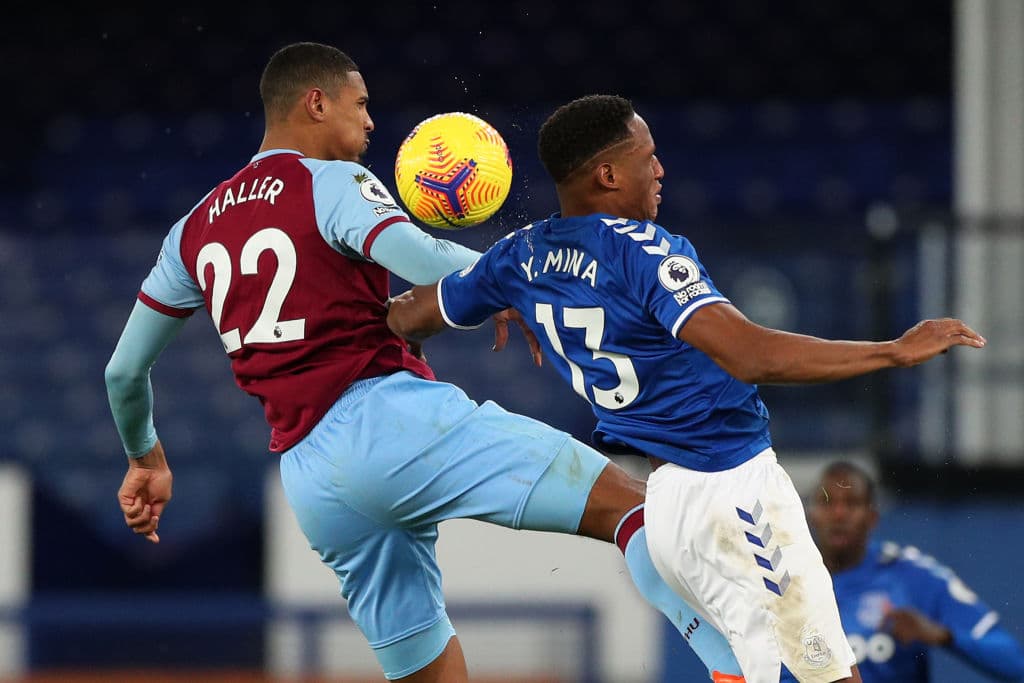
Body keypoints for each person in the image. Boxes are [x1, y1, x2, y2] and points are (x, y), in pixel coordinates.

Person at [103, 44, 747, 682]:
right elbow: (414, 255)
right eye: (360, 105)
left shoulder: (190, 230)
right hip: (389, 419)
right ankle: (739, 672)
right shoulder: (332, 182)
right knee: (637, 512)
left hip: (312, 477)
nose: (370, 122)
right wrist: (513, 282)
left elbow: (123, 373)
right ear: (316, 102)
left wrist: (145, 459)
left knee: (427, 674)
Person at [386, 93, 988, 683]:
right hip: (734, 491)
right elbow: (750, 355)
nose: (660, 169)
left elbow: (409, 316)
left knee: (749, 671)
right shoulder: (646, 253)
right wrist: (893, 350)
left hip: (668, 510)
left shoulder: (516, 259)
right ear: (607, 173)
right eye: (647, 156)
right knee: (830, 676)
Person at [781, 461, 1024, 682]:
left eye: (852, 503)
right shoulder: (783, 581)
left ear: (872, 517)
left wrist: (943, 635)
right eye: (827, 502)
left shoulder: (911, 575)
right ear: (810, 516)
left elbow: (1015, 663)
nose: (839, 514)